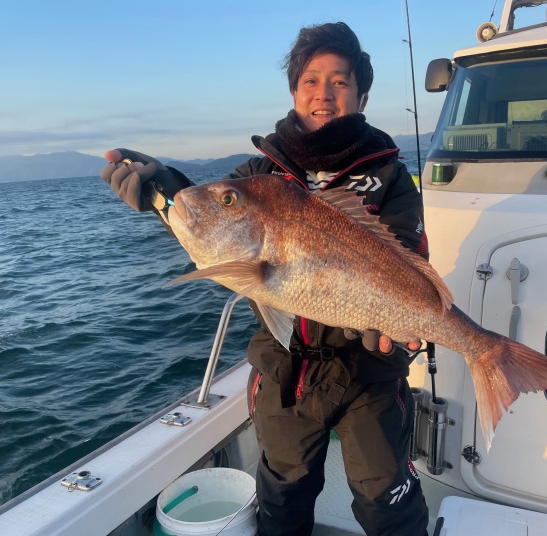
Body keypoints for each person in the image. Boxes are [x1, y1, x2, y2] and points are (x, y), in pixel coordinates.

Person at [101, 21, 430, 536]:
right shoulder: (261, 173)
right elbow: (221, 226)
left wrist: (392, 322)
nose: (324, 93)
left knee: (389, 506)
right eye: (311, 80)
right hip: (284, 371)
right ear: (294, 92)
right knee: (282, 503)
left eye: (339, 81)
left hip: (371, 372)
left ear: (362, 97)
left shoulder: (390, 177)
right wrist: (163, 190)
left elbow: (406, 254)